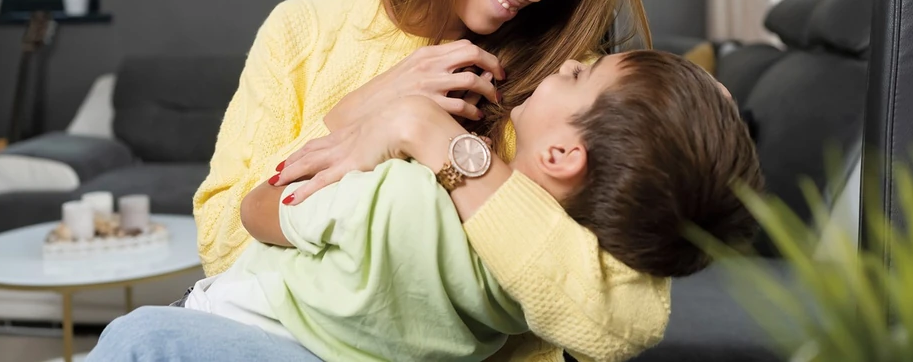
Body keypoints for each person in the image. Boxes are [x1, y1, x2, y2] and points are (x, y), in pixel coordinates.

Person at [89, 0, 673, 361]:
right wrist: (365, 110)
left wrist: (437, 139)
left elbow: (625, 320)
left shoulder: (566, 86)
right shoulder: (303, 30)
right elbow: (222, 245)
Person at [92, 51, 760, 362]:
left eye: (582, 75)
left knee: (138, 339)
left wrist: (378, 124)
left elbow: (260, 212)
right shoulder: (528, 288)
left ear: (562, 154)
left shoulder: (403, 197)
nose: (570, 62)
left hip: (248, 326)